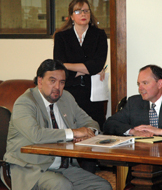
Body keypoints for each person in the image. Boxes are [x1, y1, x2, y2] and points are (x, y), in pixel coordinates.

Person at [3, 59, 112, 190]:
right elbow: (36, 135)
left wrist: (89, 132)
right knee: (61, 185)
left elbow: (90, 122)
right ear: (40, 81)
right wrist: (74, 132)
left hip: (64, 167)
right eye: (52, 81)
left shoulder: (66, 98)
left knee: (102, 186)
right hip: (31, 169)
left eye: (62, 82)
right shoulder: (25, 102)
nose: (57, 87)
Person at [103, 64, 162, 190]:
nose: (140, 88)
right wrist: (132, 131)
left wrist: (161, 131)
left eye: (145, 83)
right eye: (139, 84)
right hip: (142, 165)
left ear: (160, 84)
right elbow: (109, 124)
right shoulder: (134, 102)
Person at [53, 0, 108, 132]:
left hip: (93, 94)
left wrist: (70, 66)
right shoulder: (62, 36)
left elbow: (97, 65)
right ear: (71, 16)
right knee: (72, 132)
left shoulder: (99, 35)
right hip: (70, 91)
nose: (83, 14)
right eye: (78, 11)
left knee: (94, 132)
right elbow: (59, 65)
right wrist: (86, 68)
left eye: (86, 11)